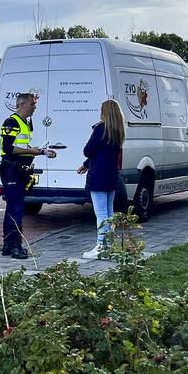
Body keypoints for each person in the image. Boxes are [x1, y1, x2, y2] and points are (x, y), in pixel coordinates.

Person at [0, 93, 57, 259]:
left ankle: (9, 245)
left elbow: (23, 146)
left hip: (20, 171)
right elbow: (8, 148)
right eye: (32, 104)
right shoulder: (11, 122)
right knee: (15, 208)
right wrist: (30, 151)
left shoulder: (25, 123)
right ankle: (15, 246)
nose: (35, 107)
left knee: (14, 207)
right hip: (11, 170)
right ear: (23, 104)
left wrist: (42, 152)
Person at [77, 98, 126, 259]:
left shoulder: (100, 129)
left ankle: (101, 246)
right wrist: (86, 164)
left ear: (104, 112)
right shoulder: (117, 131)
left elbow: (88, 150)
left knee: (101, 213)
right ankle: (109, 245)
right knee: (109, 211)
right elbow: (102, 153)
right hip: (111, 174)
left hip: (98, 175)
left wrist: (87, 160)